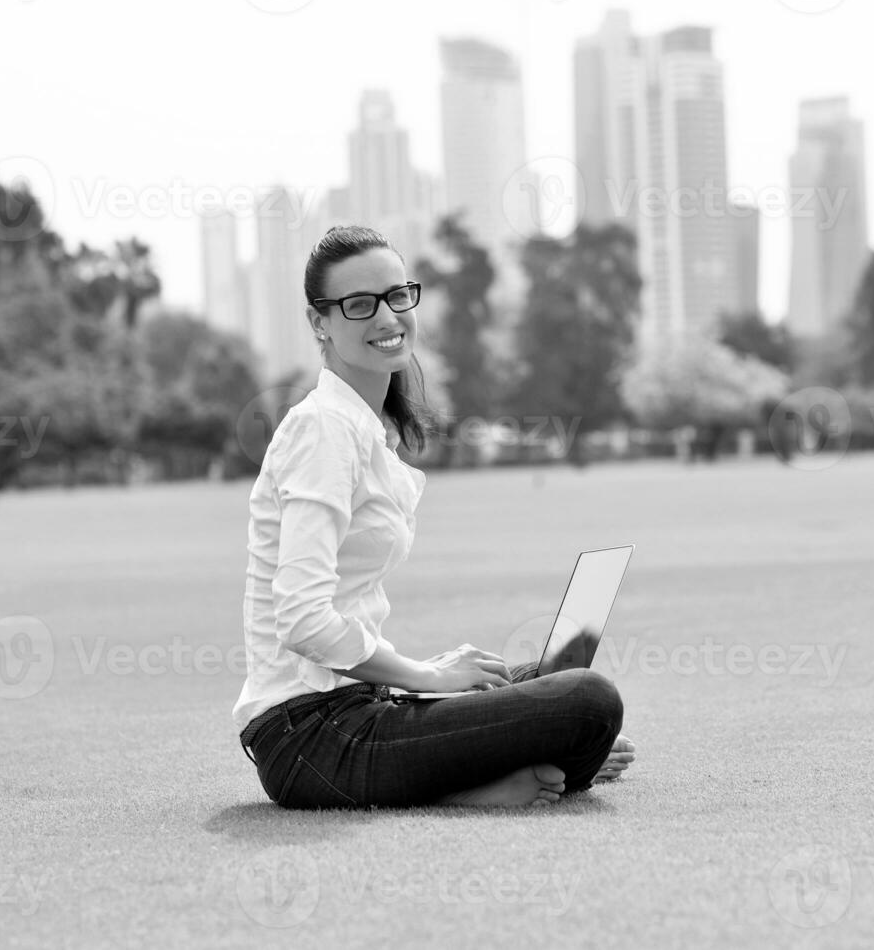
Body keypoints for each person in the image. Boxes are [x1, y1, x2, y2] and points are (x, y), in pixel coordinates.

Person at [233, 225, 635, 808]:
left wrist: (420, 676)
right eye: (359, 304)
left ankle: (524, 759)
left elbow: (346, 613)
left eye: (398, 295)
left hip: (361, 705)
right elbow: (301, 622)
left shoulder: (364, 429)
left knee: (530, 680)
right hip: (311, 739)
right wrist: (427, 678)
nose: (387, 316)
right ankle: (479, 785)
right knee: (587, 700)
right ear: (320, 322)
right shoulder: (322, 429)